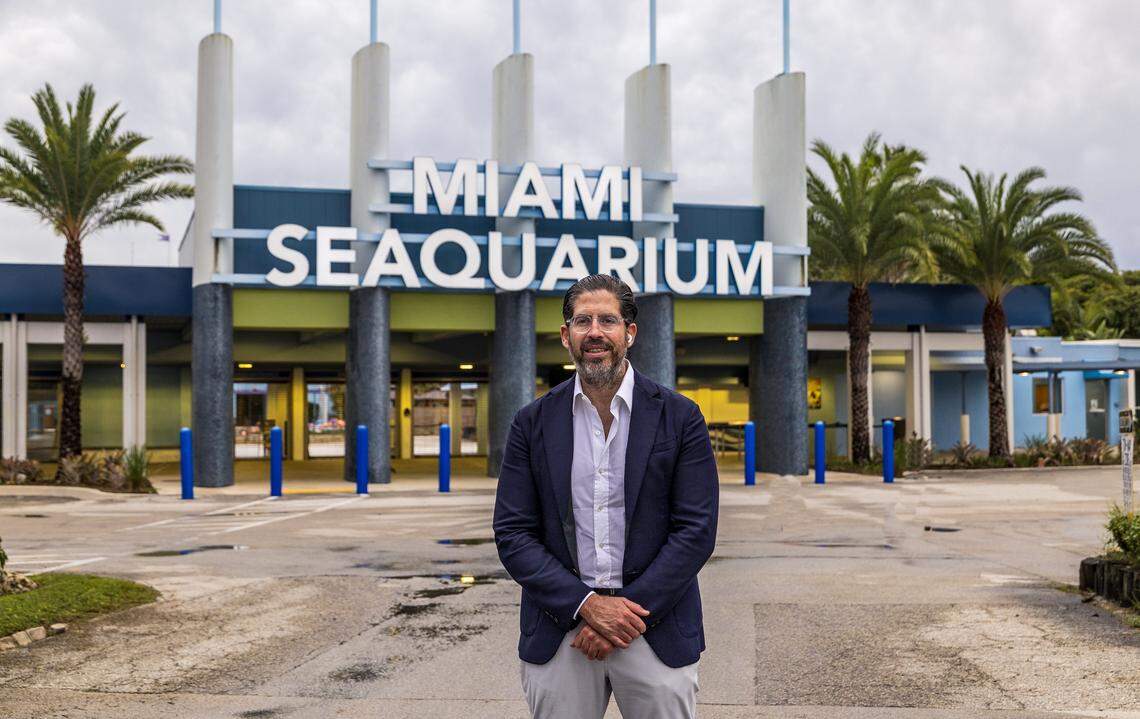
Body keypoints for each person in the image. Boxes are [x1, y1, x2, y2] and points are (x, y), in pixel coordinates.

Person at [493, 273, 720, 718]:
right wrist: (587, 607)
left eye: (607, 320)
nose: (594, 331)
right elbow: (514, 533)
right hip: (563, 630)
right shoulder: (532, 423)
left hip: (655, 629)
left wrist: (621, 616)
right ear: (566, 336)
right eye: (582, 321)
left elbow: (695, 530)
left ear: (629, 333)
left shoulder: (680, 417)